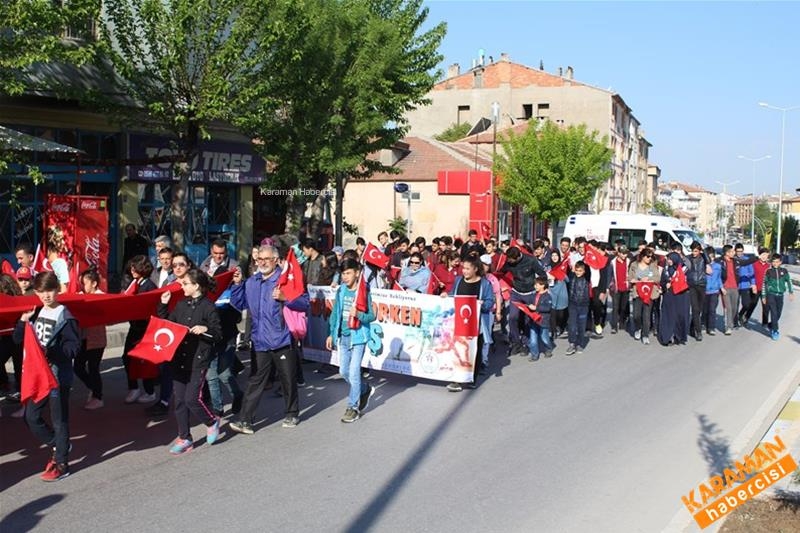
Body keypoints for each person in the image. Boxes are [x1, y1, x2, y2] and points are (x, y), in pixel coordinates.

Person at [229, 245, 309, 434]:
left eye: (266, 259)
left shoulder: (284, 279)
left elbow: (305, 302)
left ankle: (292, 413)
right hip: (260, 340)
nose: (262, 262)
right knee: (255, 380)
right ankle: (245, 420)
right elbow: (238, 304)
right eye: (259, 259)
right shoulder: (252, 282)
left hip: (282, 338)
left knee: (287, 378)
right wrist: (238, 285)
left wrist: (285, 297)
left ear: (275, 260)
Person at [13, 271, 80, 481]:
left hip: (57, 376)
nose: (46, 296)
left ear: (57, 289)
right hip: (38, 376)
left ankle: (62, 462)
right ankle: (60, 445)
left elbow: (74, 347)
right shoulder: (36, 311)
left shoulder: (65, 316)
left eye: (49, 290)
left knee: (60, 421)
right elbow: (17, 340)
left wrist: (52, 352)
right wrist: (23, 322)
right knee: (30, 417)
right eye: (41, 291)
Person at [157, 269, 223, 454]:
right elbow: (168, 327)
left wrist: (205, 329)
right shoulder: (180, 305)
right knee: (179, 401)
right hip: (180, 359)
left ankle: (211, 422)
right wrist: (163, 305)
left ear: (196, 286)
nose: (182, 286)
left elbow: (218, 334)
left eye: (185, 283)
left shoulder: (209, 307)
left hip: (198, 360)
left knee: (192, 398)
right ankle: (185, 437)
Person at [326, 259, 376, 423]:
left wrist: (359, 315)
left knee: (354, 372)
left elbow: (371, 316)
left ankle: (352, 407)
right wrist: (331, 333)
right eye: (343, 274)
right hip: (344, 337)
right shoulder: (341, 291)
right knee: (344, 372)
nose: (345, 277)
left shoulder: (363, 292)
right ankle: (364, 388)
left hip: (358, 337)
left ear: (357, 272)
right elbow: (335, 314)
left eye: (348, 273)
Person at [145, 252, 194, 417]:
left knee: (195, 371)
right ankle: (165, 400)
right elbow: (162, 312)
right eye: (175, 265)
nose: (177, 268)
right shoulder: (170, 284)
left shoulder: (196, 284)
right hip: (173, 332)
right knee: (167, 368)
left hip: (192, 335)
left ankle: (201, 400)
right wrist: (163, 304)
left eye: (181, 264)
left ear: (188, 265)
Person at [444, 256, 494, 392]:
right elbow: (452, 295)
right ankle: (457, 380)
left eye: (467, 268)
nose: (464, 271)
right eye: (463, 268)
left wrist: (482, 304)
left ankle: (472, 378)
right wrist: (445, 296)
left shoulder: (485, 284)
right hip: (459, 323)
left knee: (474, 351)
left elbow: (490, 302)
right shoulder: (458, 280)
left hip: (476, 324)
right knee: (458, 350)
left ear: (475, 269)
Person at [122, 255, 158, 404]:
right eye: (131, 267)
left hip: (144, 328)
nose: (132, 270)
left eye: (135, 267)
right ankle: (134, 388)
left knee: (145, 361)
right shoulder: (135, 284)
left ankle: (149, 391)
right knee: (128, 358)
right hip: (135, 327)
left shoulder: (148, 286)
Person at [498, 246, 546, 356]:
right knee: (512, 317)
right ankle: (516, 343)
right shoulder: (509, 262)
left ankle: (525, 342)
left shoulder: (531, 260)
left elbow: (542, 274)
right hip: (516, 293)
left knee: (527, 320)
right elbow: (501, 272)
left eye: (510, 260)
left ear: (517, 257)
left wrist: (542, 289)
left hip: (530, 293)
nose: (509, 262)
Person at [74, 269, 107, 410]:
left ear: (94, 284)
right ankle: (93, 388)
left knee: (93, 368)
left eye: (85, 283)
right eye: (81, 283)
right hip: (84, 338)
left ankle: (98, 397)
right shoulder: (82, 295)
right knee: (78, 367)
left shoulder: (102, 297)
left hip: (96, 339)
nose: (82, 286)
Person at [628, 248, 659, 345]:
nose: (649, 258)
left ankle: (645, 335)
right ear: (642, 256)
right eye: (647, 256)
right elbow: (630, 277)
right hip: (637, 293)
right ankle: (638, 328)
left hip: (649, 294)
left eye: (651, 256)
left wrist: (648, 278)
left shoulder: (653, 266)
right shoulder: (634, 265)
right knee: (636, 315)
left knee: (646, 316)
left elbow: (657, 278)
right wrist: (635, 280)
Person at [658, 252, 690, 346]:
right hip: (669, 296)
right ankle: (666, 337)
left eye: (670, 259)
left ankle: (679, 336)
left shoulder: (684, 269)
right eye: (668, 259)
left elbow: (690, 281)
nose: (668, 261)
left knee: (680, 316)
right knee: (668, 316)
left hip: (681, 296)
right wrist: (665, 285)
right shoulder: (666, 269)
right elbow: (662, 282)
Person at [761, 254, 794, 340]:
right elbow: (764, 284)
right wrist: (763, 296)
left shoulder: (784, 271)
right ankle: (775, 330)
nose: (775, 263)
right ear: (771, 262)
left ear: (780, 262)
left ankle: (771, 324)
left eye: (777, 262)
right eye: (773, 262)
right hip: (771, 294)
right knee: (774, 313)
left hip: (780, 295)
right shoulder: (768, 271)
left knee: (778, 313)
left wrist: (791, 292)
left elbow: (789, 281)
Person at [685, 241, 709, 341]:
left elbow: (709, 260)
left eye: (696, 251)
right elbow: (684, 265)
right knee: (695, 309)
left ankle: (692, 326)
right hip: (692, 285)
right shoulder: (689, 258)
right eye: (693, 251)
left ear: (699, 251)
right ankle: (698, 332)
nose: (694, 253)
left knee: (699, 309)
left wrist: (704, 251)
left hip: (702, 285)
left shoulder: (704, 257)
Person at [565, 261, 590, 355]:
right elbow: (566, 270)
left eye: (580, 271)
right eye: (576, 270)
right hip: (573, 305)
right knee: (572, 325)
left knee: (581, 326)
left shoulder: (587, 279)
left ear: (584, 271)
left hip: (583, 306)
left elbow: (589, 267)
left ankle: (579, 344)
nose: (578, 272)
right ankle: (572, 343)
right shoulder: (571, 277)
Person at [527, 277, 554, 361]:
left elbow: (547, 308)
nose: (535, 286)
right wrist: (528, 306)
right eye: (535, 285)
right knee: (533, 339)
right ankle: (535, 354)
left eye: (537, 285)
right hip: (533, 320)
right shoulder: (534, 294)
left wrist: (536, 308)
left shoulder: (548, 296)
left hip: (543, 320)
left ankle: (548, 348)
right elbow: (529, 302)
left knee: (544, 337)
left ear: (543, 285)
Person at [609, 245, 631, 334]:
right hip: (616, 288)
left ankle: (622, 321)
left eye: (626, 253)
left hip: (625, 287)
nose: (624, 255)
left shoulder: (629, 261)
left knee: (623, 307)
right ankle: (614, 326)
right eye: (622, 253)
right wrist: (609, 286)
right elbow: (609, 274)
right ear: (618, 253)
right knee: (615, 307)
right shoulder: (613, 262)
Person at [734, 244, 757, 328]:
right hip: (735, 286)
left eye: (741, 251)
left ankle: (741, 314)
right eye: (738, 251)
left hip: (745, 285)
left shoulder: (747, 260)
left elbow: (752, 273)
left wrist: (753, 284)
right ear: (735, 251)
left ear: (743, 251)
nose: (739, 253)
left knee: (746, 304)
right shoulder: (733, 260)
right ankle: (735, 321)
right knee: (735, 305)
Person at [548, 250, 569, 339]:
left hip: (562, 293)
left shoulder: (563, 266)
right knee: (553, 313)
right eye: (552, 255)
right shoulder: (548, 268)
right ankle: (553, 331)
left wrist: (562, 275)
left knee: (561, 314)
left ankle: (560, 326)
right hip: (551, 292)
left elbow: (568, 280)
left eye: (556, 255)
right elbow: (548, 282)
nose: (554, 257)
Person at [703, 246, 723, 336]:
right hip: (705, 291)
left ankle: (711, 327)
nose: (711, 258)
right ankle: (704, 323)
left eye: (712, 256)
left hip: (715, 291)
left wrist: (721, 287)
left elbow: (719, 278)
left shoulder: (718, 266)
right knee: (705, 310)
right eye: (709, 256)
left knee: (712, 309)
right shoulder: (703, 266)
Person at [752, 247, 772, 330]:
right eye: (763, 255)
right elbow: (751, 275)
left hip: (765, 290)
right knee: (752, 304)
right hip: (756, 288)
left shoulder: (769, 266)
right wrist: (753, 285)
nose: (764, 257)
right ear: (759, 255)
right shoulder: (754, 264)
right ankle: (745, 317)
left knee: (766, 307)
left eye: (766, 255)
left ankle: (765, 322)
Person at [46, 225, 70, 293]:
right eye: (61, 239)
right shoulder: (61, 263)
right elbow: (64, 291)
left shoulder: (42, 261)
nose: (63, 242)